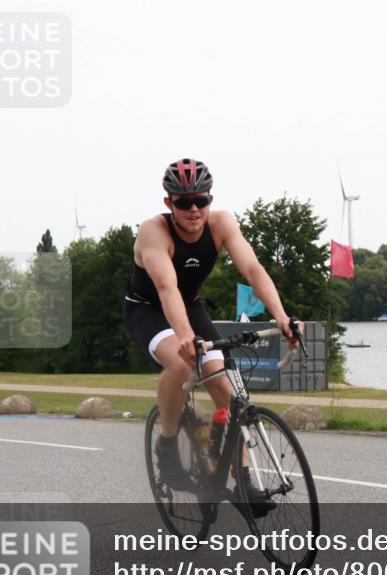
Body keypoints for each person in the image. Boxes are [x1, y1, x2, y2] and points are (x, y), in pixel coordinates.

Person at [124, 158, 297, 503]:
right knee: (181, 363)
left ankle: (243, 478)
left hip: (189, 305)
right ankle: (167, 443)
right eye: (184, 203)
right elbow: (166, 287)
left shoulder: (222, 224)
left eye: (201, 200)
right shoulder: (153, 231)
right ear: (168, 203)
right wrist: (186, 337)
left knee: (223, 383)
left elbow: (253, 269)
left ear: (210, 200)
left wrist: (282, 317)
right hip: (147, 309)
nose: (193, 209)